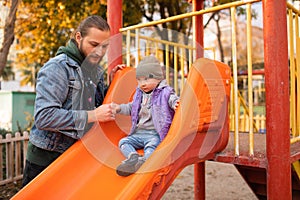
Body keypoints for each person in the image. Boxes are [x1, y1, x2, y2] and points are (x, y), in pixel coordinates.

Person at [22, 15, 123, 186]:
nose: (99, 52)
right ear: (78, 37)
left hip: (77, 156)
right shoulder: (57, 68)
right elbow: (44, 117)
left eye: (104, 46)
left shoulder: (95, 70)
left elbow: (96, 105)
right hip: (47, 159)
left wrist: (115, 83)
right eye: (94, 45)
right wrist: (93, 115)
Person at [112, 56, 180, 177]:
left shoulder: (165, 92)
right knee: (123, 142)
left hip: (155, 133)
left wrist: (176, 104)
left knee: (151, 147)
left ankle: (144, 161)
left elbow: (172, 99)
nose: (142, 84)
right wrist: (118, 108)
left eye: (147, 79)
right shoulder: (139, 93)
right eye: (139, 80)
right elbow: (132, 108)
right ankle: (133, 157)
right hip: (138, 133)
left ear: (158, 78)